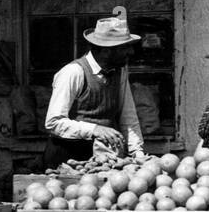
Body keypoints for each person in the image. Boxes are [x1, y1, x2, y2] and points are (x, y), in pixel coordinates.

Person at [45, 17, 149, 166]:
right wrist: (94, 129)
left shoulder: (120, 72)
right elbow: (53, 122)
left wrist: (137, 153)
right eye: (124, 48)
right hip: (67, 158)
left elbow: (128, 116)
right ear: (106, 51)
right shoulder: (73, 73)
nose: (131, 52)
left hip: (103, 159)